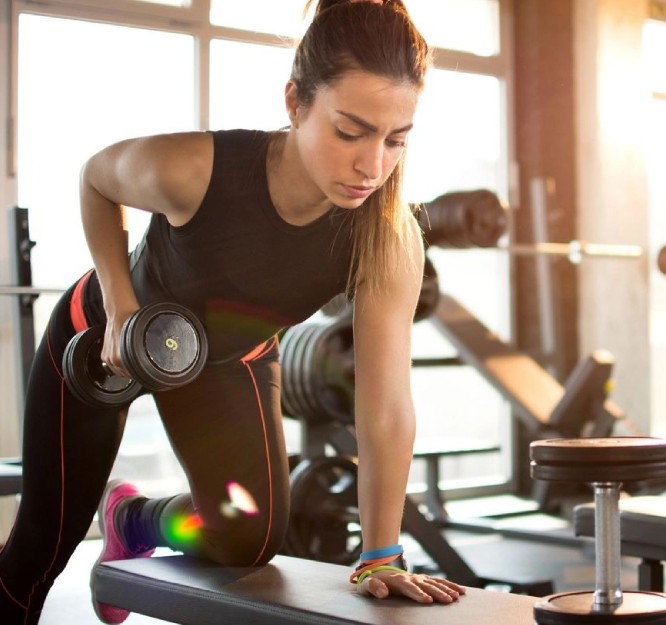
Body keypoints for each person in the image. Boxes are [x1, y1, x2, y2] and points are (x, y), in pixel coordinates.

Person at [0, 0, 466, 623]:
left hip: (224, 359)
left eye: (396, 140)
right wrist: (118, 305)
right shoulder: (197, 169)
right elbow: (96, 178)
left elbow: (383, 404)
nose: (372, 165)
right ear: (296, 101)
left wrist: (381, 554)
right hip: (109, 340)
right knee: (43, 546)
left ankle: (134, 518)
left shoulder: (386, 236)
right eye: (350, 132)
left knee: (248, 537)